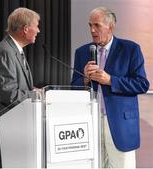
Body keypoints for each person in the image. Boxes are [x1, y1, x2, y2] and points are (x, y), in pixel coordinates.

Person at [71, 6, 149, 168]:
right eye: (90, 25)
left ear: (110, 26)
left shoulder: (130, 49)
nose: (92, 30)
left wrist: (111, 80)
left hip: (120, 124)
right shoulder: (82, 52)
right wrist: (84, 79)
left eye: (97, 25)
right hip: (90, 123)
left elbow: (142, 84)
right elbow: (74, 88)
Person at [0, 7, 40, 167]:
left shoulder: (14, 50)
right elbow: (9, 94)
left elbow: (15, 87)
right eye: (36, 26)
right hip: (6, 131)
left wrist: (32, 91)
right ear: (26, 29)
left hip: (14, 130)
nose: (38, 30)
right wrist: (36, 96)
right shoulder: (5, 52)